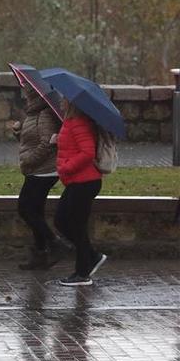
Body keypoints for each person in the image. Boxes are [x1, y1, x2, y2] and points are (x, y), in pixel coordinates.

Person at [13, 83, 71, 270]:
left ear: (34, 94)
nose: (24, 95)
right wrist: (18, 133)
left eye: (27, 92)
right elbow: (32, 141)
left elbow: (48, 144)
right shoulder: (33, 114)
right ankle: (40, 255)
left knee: (25, 208)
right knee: (35, 211)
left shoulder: (44, 114)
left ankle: (56, 243)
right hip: (37, 169)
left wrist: (28, 160)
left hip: (44, 170)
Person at [53, 98, 107, 286]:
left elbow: (87, 152)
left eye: (64, 100)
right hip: (77, 182)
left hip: (85, 181)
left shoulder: (79, 123)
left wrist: (66, 168)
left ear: (72, 104)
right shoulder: (70, 123)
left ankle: (82, 273)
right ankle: (91, 256)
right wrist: (56, 140)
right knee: (61, 220)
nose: (61, 103)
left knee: (76, 225)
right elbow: (72, 146)